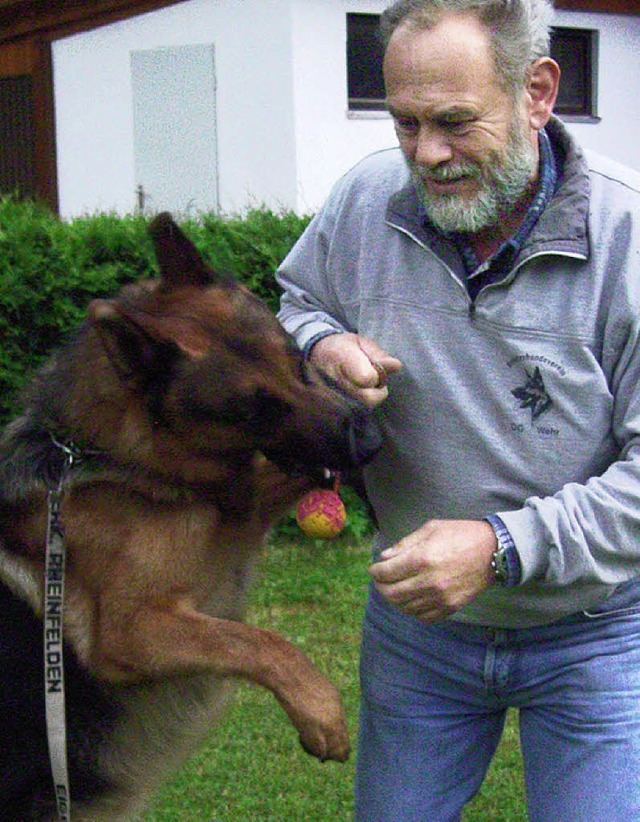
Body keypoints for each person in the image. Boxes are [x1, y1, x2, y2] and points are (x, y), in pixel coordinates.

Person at [276, 0, 640, 819]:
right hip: (419, 635)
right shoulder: (367, 199)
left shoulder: (630, 239)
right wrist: (321, 345)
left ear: (538, 91)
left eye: (453, 122)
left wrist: (502, 546)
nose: (426, 155)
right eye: (404, 122)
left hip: (597, 633)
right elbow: (296, 304)